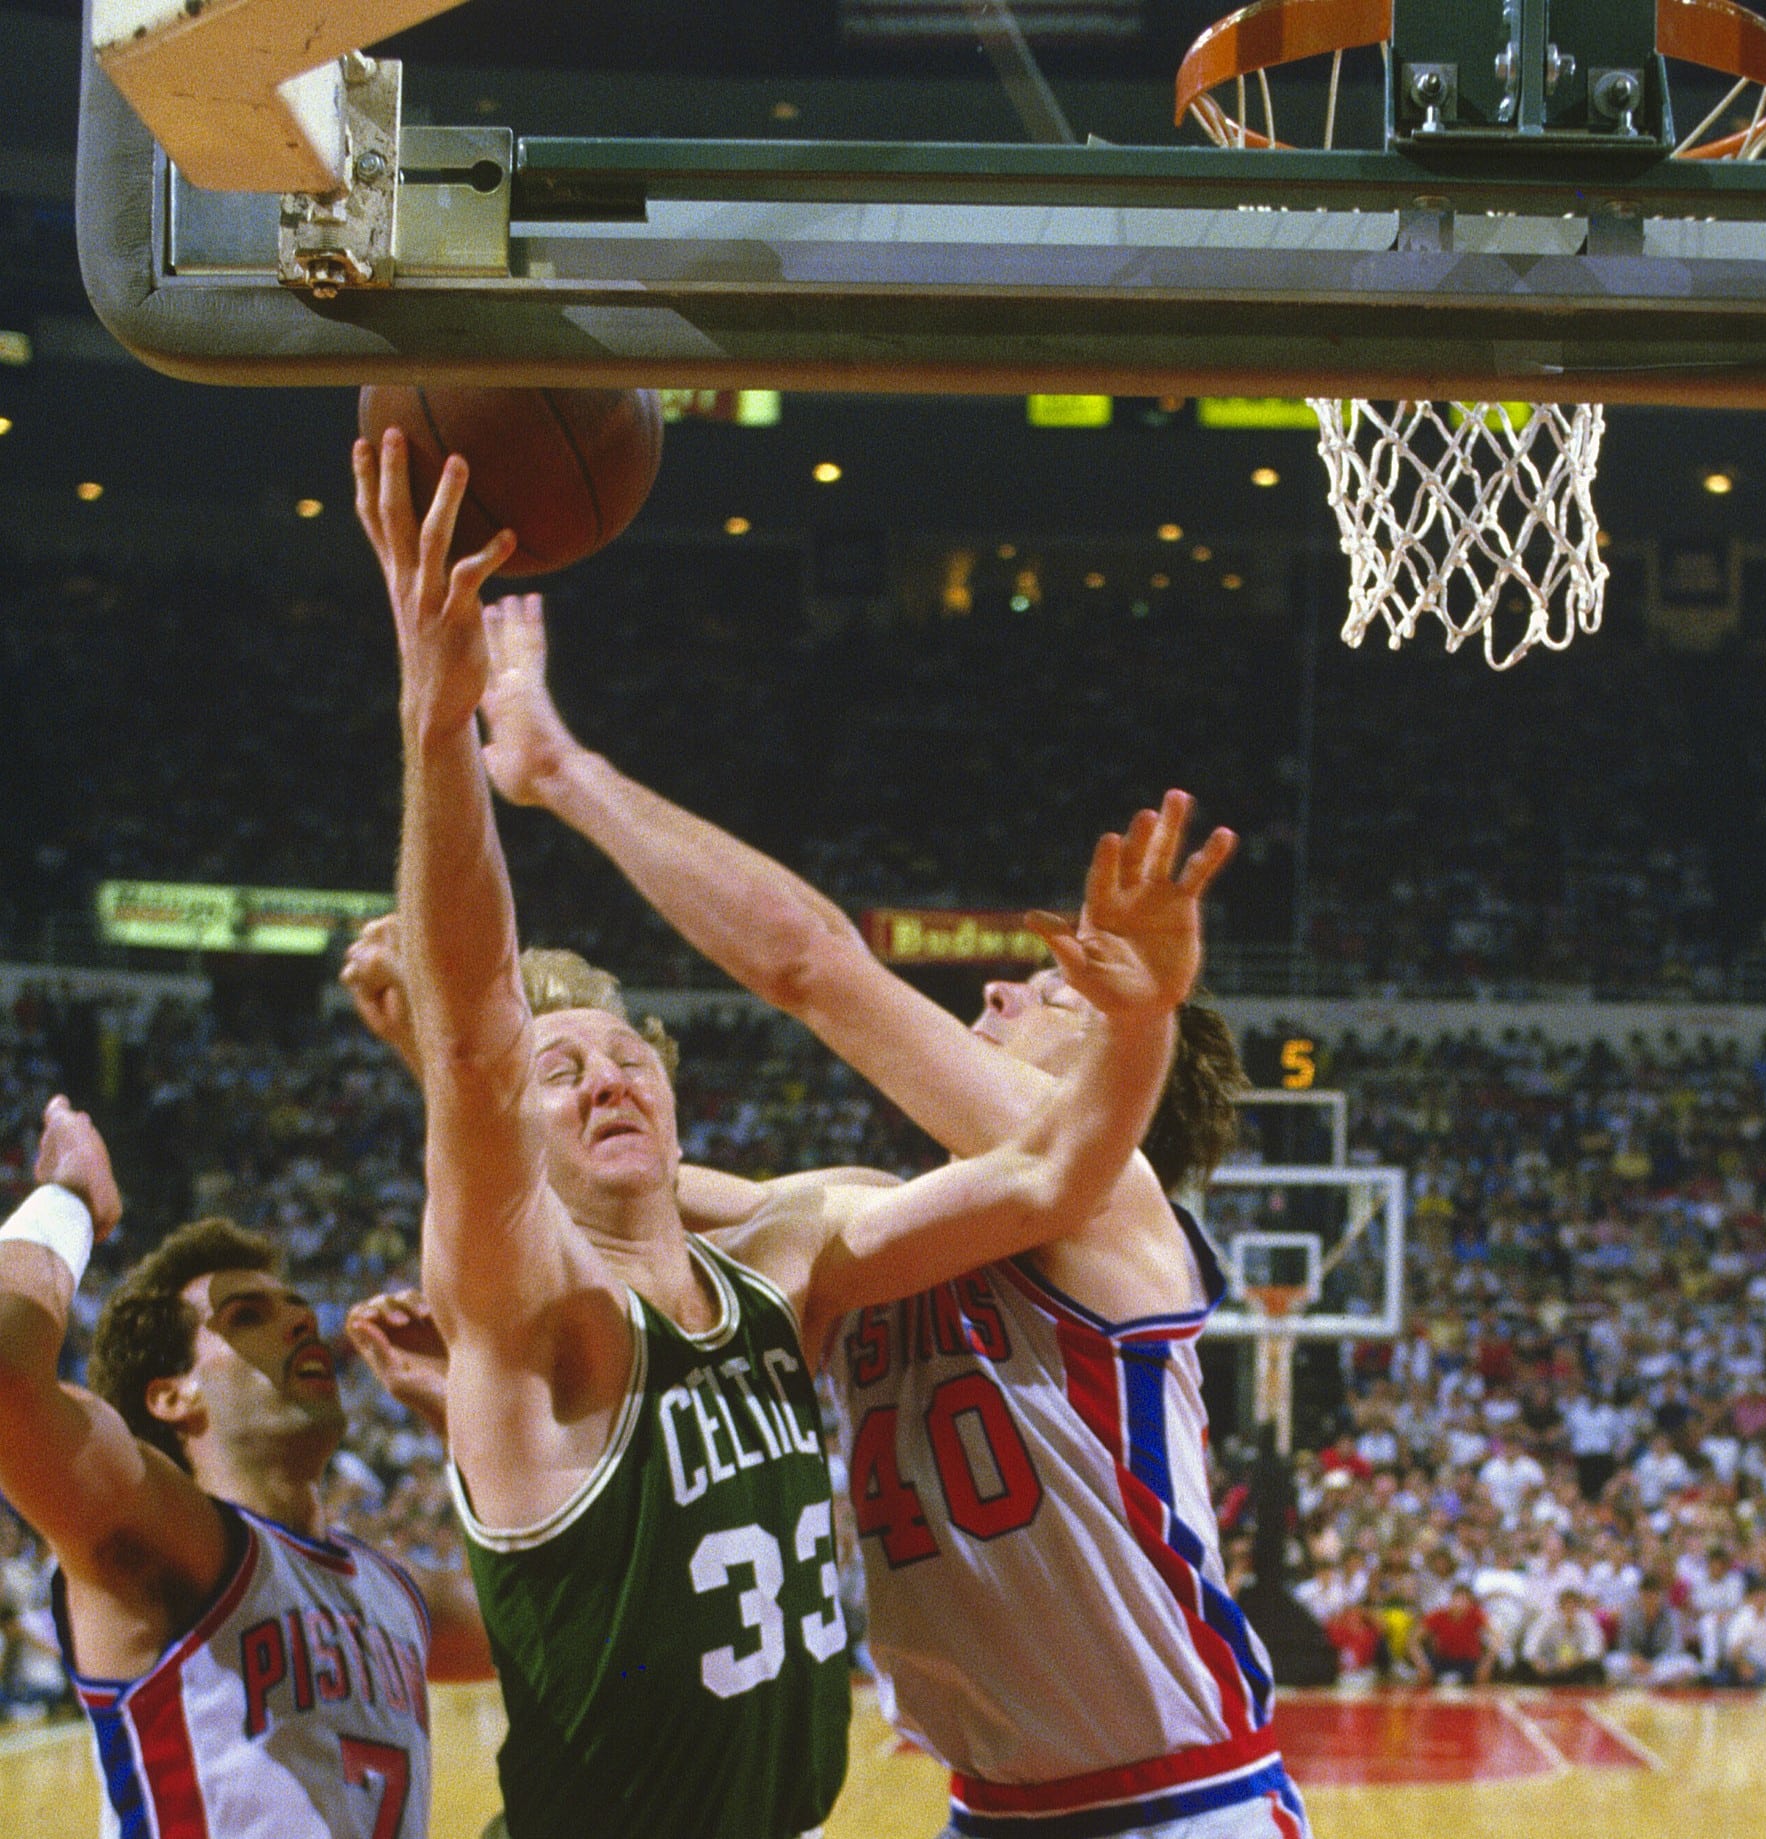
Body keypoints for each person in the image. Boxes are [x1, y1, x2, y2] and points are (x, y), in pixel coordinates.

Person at [357, 430, 1228, 1839]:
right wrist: (468, 1098)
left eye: (1048, 993)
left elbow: (813, 965)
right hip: (984, 1805)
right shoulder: (834, 1223)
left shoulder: (1100, 1193)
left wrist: (559, 772)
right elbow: (599, 1178)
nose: (1002, 984)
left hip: (1171, 1793)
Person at [0, 1096, 489, 1839]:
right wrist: (67, 1199)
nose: (302, 1319)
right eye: (247, 1317)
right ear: (172, 1395)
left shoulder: (390, 1587)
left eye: (295, 1305)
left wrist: (466, 1411)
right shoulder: (166, 1535)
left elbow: (566, 1623)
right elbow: (9, 1382)